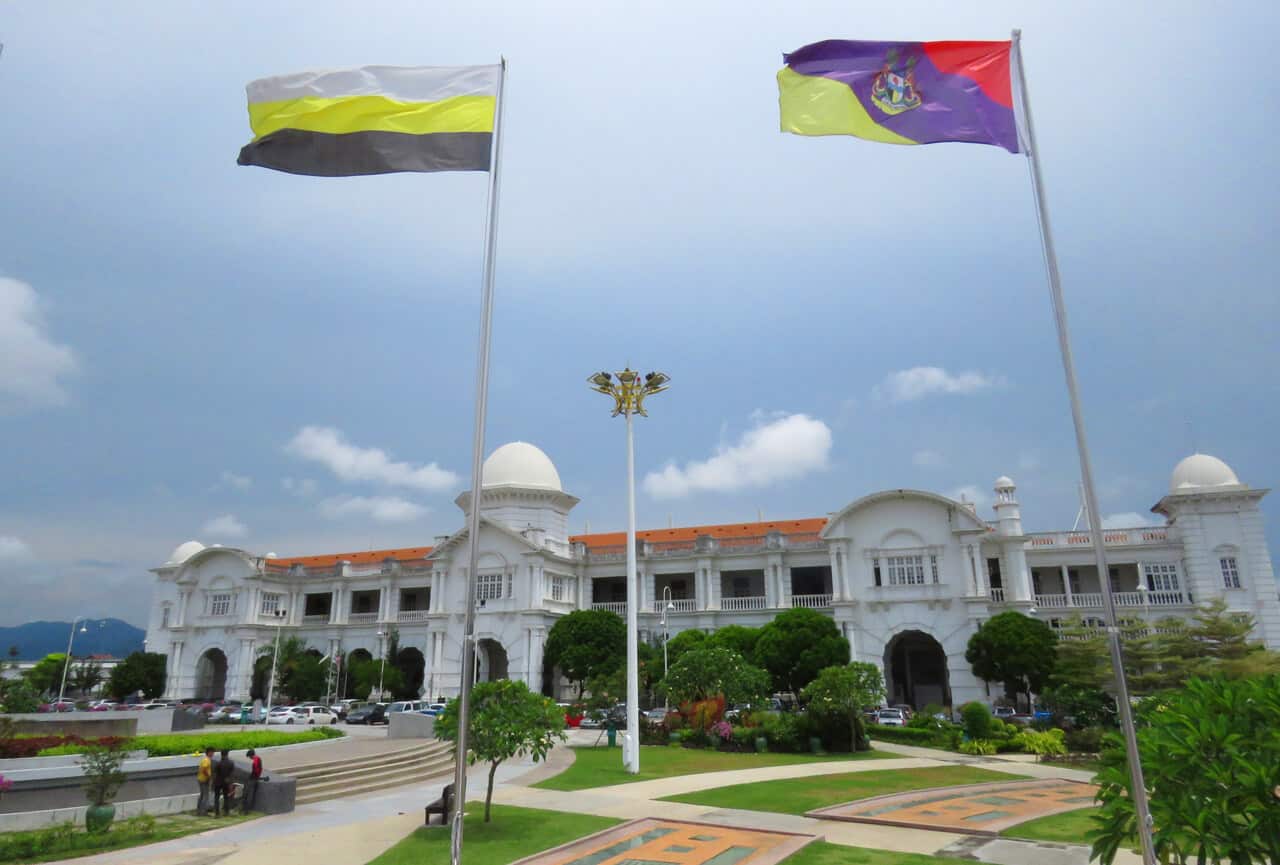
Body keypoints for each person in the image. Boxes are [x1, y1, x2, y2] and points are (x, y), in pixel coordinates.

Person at [212, 749, 235, 816]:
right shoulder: (231, 763)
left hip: (218, 782)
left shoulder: (218, 763)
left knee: (216, 797)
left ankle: (217, 813)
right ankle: (226, 812)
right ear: (227, 754)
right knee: (226, 797)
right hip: (226, 782)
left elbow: (215, 774)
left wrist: (213, 783)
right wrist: (231, 783)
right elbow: (232, 774)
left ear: (221, 755)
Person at [242, 748, 262, 813]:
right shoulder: (258, 758)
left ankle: (246, 810)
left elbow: (256, 769)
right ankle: (247, 809)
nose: (250, 758)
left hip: (253, 779)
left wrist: (253, 776)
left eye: (249, 757)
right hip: (255, 777)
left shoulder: (256, 760)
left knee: (248, 794)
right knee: (249, 794)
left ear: (251, 755)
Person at [196, 747, 214, 816]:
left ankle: (199, 810)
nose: (213, 754)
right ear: (209, 752)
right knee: (205, 796)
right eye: (212, 752)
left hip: (200, 779)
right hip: (204, 780)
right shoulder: (207, 760)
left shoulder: (204, 759)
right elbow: (204, 769)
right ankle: (203, 812)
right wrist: (209, 777)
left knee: (202, 795)